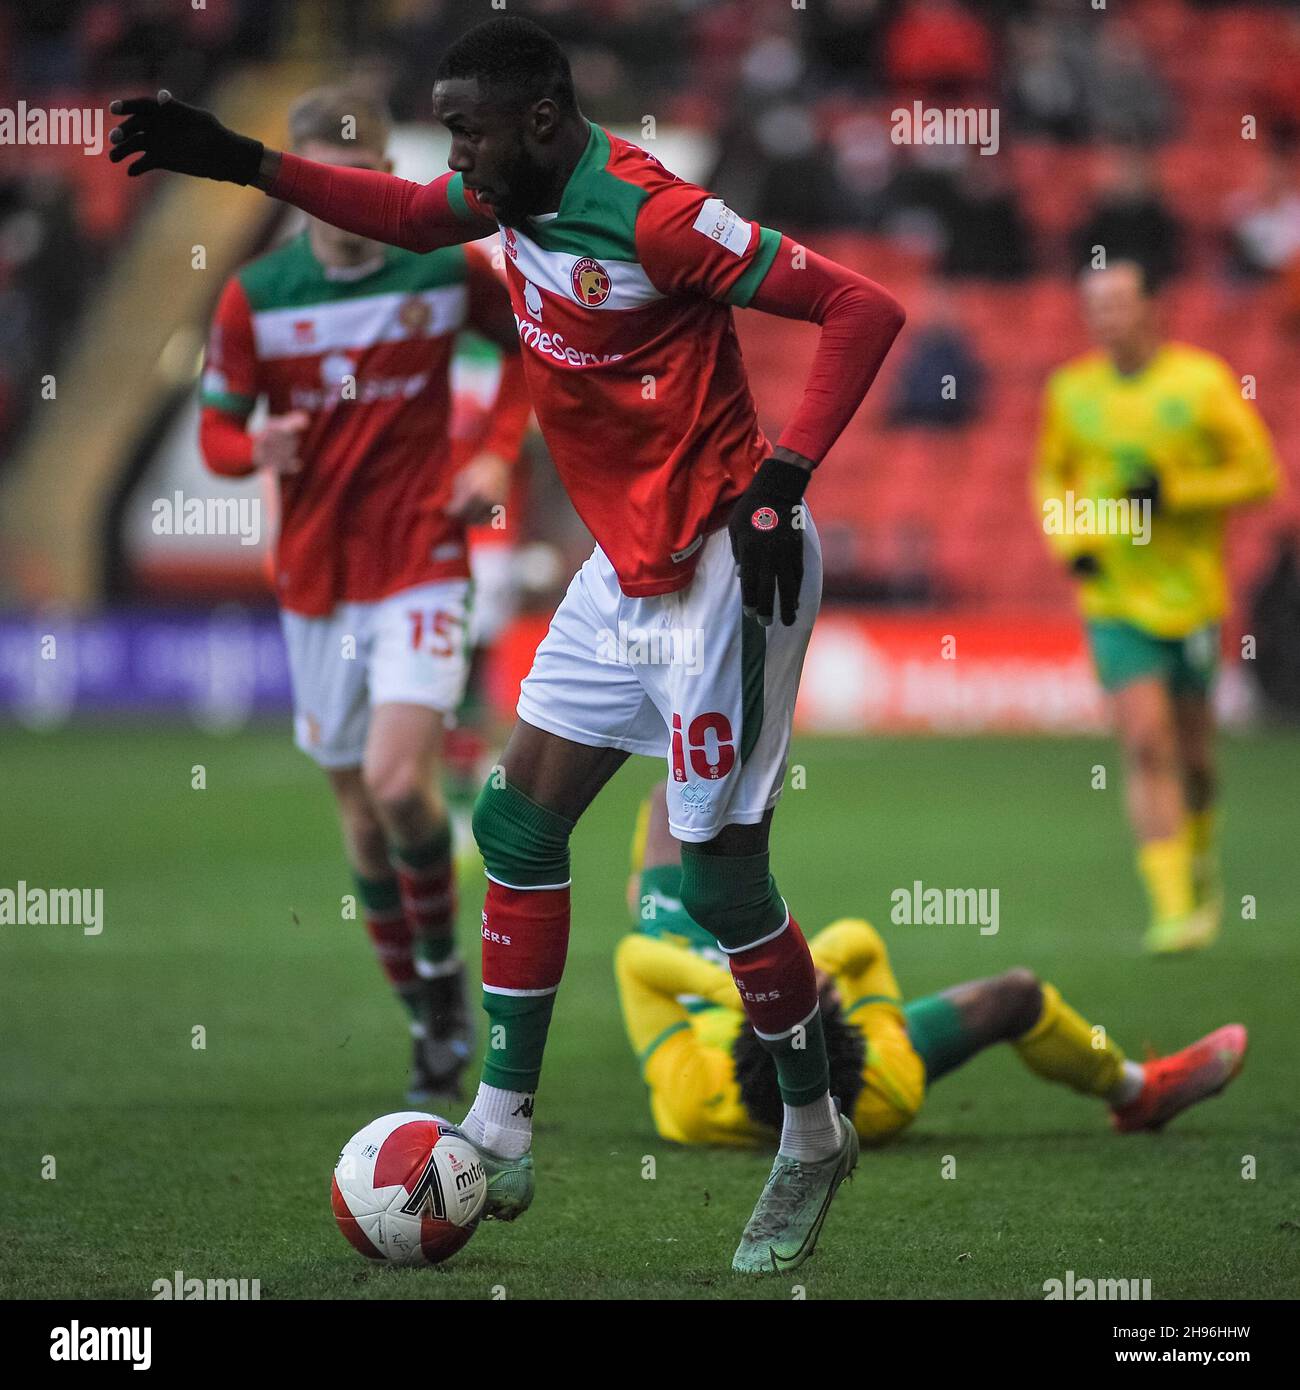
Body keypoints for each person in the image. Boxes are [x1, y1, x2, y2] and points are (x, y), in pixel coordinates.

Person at [109, 15, 906, 1275]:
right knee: (519, 827)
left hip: (725, 565)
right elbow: (405, 212)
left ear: (540, 122)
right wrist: (240, 160)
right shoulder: (499, 202)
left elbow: (860, 307)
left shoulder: (652, 218)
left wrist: (785, 482)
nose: (454, 157)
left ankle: (811, 1131)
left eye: (468, 131)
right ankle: (499, 1123)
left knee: (718, 880)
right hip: (624, 569)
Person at [197, 85, 531, 1101]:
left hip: (421, 556)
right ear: (297, 183)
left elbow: (527, 349)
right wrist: (255, 443)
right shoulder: (257, 295)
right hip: (315, 581)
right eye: (331, 180)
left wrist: (492, 457)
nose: (352, 195)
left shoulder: (441, 262)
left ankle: (442, 971)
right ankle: (426, 1009)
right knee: (355, 799)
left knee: (397, 783)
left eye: (370, 176)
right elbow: (218, 434)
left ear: (388, 172)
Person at [619, 782, 1247, 1148]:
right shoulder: (887, 1088)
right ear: (851, 1032)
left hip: (684, 956)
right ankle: (1136, 1091)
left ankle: (640, 885)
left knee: (674, 795)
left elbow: (635, 963)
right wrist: (801, 975)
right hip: (844, 1066)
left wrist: (746, 994)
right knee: (1017, 996)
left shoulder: (695, 1103)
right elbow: (860, 940)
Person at [1034, 261, 1279, 954]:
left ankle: (1200, 861)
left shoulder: (1200, 382)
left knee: (1197, 755)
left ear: (1152, 309)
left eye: (1119, 303)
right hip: (1112, 595)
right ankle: (1173, 909)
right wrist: (1070, 538)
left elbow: (1259, 473)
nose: (1107, 316)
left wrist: (1175, 492)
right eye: (1096, 305)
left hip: (1191, 597)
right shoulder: (1071, 391)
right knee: (1146, 743)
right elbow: (1051, 472)